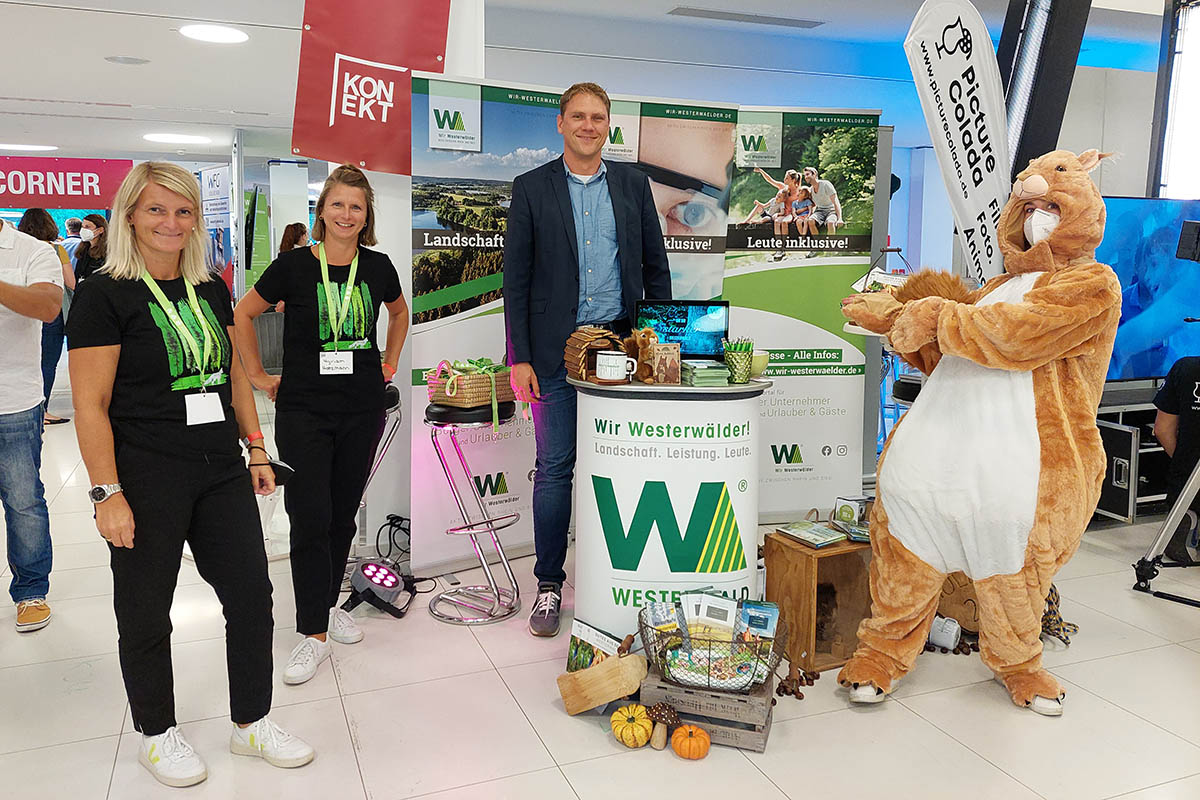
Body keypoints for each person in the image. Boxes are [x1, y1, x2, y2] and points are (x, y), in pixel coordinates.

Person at [66, 162, 314, 787]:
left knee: (253, 597)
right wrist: (106, 492)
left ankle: (251, 722)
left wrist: (256, 448)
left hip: (219, 468)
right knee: (147, 610)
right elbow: (89, 405)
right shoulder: (104, 294)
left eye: (182, 211)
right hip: (144, 473)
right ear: (129, 216)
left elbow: (231, 373)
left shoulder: (209, 287)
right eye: (155, 210)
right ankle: (156, 732)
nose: (170, 223)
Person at [503, 81, 671, 637]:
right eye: (578, 116)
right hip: (553, 354)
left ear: (609, 124)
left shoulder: (632, 184)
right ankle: (549, 584)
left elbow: (654, 268)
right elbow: (517, 280)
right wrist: (519, 356)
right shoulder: (530, 189)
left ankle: (613, 575)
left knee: (622, 464)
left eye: (598, 117)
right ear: (561, 123)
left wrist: (656, 342)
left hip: (621, 349)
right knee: (555, 467)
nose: (589, 125)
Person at [233, 164, 409, 686]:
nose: (346, 214)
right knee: (309, 517)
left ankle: (328, 606)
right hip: (304, 410)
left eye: (356, 206)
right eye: (337, 204)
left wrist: (390, 361)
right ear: (322, 210)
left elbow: (400, 314)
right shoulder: (292, 266)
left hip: (361, 409)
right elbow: (243, 314)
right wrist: (258, 373)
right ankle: (312, 633)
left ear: (366, 214)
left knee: (342, 518)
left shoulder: (377, 267)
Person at [0, 211, 62, 633]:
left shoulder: (33, 251)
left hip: (14, 401)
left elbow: (47, 306)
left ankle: (31, 590)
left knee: (23, 500)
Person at [17, 209, 75, 424]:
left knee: (25, 360)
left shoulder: (20, 249)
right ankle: (44, 410)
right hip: (51, 311)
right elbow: (70, 281)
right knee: (48, 362)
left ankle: (27, 408)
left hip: (22, 308)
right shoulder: (55, 250)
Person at [1153, 356, 1200, 565]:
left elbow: (1162, 430)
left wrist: (1186, 463)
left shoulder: (1185, 368)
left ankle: (1186, 518)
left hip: (1186, 485)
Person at [802, 166, 843, 236]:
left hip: (831, 211)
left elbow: (836, 202)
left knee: (830, 223)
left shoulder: (826, 184)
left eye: (808, 174)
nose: (806, 177)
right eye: (805, 175)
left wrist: (840, 219)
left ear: (814, 174)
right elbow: (812, 205)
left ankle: (830, 245)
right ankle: (818, 244)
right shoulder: (811, 190)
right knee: (810, 221)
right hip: (820, 211)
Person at [74, 213, 108, 281]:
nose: (83, 230)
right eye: (82, 227)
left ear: (100, 230)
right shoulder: (83, 249)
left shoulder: (107, 251)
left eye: (87, 227)